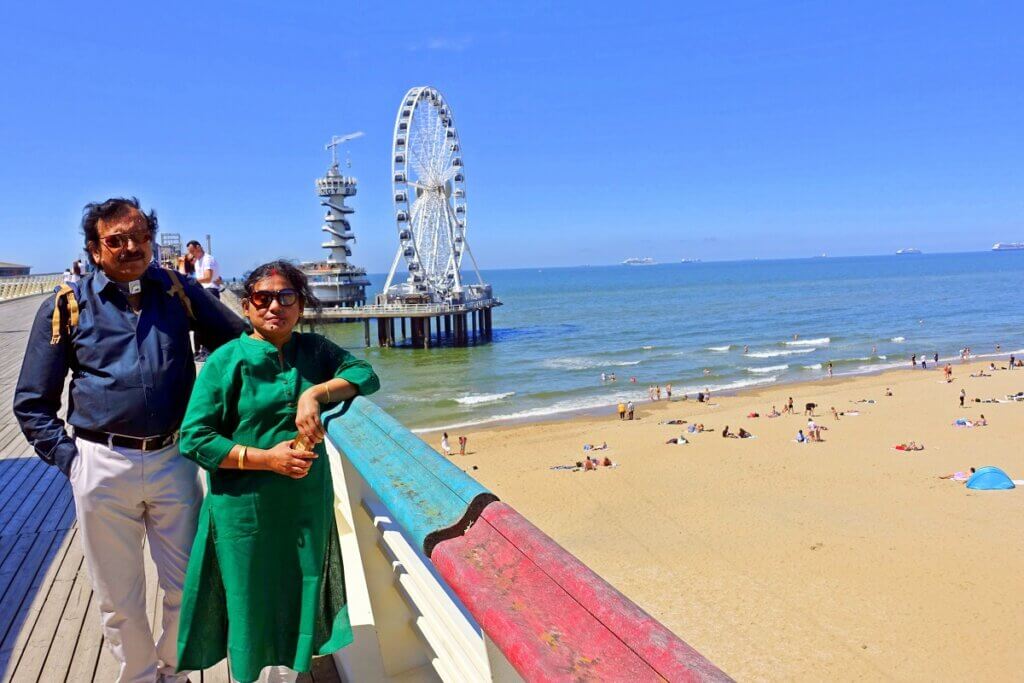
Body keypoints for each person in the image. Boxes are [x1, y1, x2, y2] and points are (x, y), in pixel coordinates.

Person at [13, 197, 245, 682]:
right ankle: (138, 676)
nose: (131, 247)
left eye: (139, 237)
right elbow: (32, 402)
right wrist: (72, 460)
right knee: (118, 595)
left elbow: (238, 342)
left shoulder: (178, 292)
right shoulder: (67, 305)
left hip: (175, 457)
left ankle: (173, 671)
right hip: (101, 462)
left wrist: (298, 389)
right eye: (115, 240)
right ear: (95, 250)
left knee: (190, 584)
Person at [176, 260, 380, 682]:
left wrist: (316, 394)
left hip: (304, 505)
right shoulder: (226, 361)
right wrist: (266, 458)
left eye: (286, 297)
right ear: (247, 307)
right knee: (249, 601)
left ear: (300, 306)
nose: (275, 306)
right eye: (262, 298)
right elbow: (194, 438)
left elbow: (365, 374)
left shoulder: (315, 351)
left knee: (301, 591)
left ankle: (295, 674)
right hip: (244, 509)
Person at [187, 240, 224, 360]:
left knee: (208, 323)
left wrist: (192, 281)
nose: (191, 253)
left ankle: (207, 351)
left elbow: (208, 278)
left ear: (198, 247)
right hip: (204, 291)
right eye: (190, 252)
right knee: (200, 323)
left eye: (192, 250)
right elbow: (216, 278)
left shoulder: (208, 259)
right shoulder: (198, 261)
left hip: (210, 292)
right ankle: (199, 351)